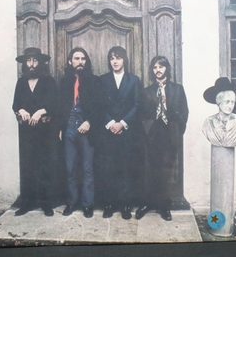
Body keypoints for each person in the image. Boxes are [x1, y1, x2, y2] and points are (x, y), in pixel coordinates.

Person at [136, 56, 189, 221]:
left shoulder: (177, 89)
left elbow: (184, 112)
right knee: (149, 170)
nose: (158, 70)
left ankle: (164, 206)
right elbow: (141, 114)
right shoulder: (147, 91)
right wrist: (147, 130)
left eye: (161, 67)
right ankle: (146, 204)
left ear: (167, 69)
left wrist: (177, 130)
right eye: (155, 67)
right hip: (152, 135)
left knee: (166, 171)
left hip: (169, 134)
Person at [12, 47, 58, 217]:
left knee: (45, 166)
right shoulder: (21, 82)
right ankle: (27, 203)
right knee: (27, 167)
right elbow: (15, 104)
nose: (31, 64)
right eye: (28, 61)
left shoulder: (48, 81)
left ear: (40, 63)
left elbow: (55, 103)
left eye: (35, 60)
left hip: (45, 133)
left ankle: (46, 204)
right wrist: (21, 110)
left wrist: (41, 111)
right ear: (25, 63)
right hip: (26, 133)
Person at [59, 47, 102, 218]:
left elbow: (99, 107)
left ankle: (87, 204)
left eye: (83, 59)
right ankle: (72, 202)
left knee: (87, 168)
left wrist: (89, 122)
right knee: (70, 168)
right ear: (70, 61)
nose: (80, 62)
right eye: (76, 58)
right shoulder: (64, 82)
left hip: (87, 129)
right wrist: (61, 128)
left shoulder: (94, 81)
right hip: (69, 127)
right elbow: (59, 107)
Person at [99, 46, 142, 219]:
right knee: (108, 168)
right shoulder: (103, 80)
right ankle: (109, 204)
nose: (115, 61)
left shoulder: (134, 80)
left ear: (124, 60)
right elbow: (99, 105)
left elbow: (137, 105)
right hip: (108, 132)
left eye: (118, 58)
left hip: (127, 132)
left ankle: (125, 205)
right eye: (112, 58)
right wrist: (111, 123)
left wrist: (122, 123)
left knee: (126, 168)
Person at [202, 77, 236, 147]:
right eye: (226, 102)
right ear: (218, 102)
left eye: (233, 102)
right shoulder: (209, 122)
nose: (230, 106)